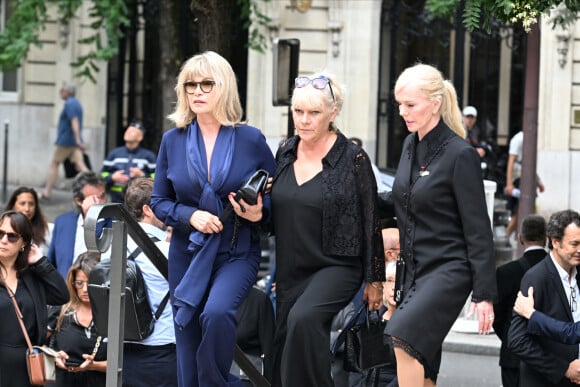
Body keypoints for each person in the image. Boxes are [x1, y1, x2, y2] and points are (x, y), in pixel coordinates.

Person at [150, 51, 276, 387]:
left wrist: (259, 211)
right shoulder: (172, 140)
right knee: (187, 340)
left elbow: (274, 196)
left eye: (207, 83)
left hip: (236, 250)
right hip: (186, 255)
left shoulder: (250, 139)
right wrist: (191, 216)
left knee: (217, 314)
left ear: (225, 87)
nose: (197, 91)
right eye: (190, 84)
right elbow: (159, 202)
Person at [381, 63, 496, 387]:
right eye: (400, 104)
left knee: (402, 336)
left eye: (410, 104)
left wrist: (483, 293)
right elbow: (400, 199)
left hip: (449, 269)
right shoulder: (408, 145)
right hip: (414, 269)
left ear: (435, 102)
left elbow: (478, 228)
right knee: (424, 358)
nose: (403, 112)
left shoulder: (461, 155)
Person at [269, 71, 385, 387]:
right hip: (292, 268)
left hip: (337, 265)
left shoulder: (353, 158)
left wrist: (375, 279)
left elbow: (370, 219)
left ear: (332, 113)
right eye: (298, 111)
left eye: (314, 112)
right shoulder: (285, 152)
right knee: (284, 343)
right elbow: (276, 213)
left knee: (303, 321)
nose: (304, 120)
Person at [508, 209, 580, 386]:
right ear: (555, 242)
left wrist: (531, 314)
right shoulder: (536, 277)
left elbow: (571, 332)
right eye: (574, 244)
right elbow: (517, 340)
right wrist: (562, 369)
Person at [0, 210, 69, 387]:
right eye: (0, 234)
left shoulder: (31, 276)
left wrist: (40, 262)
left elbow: (62, 295)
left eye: (12, 236)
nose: (4, 240)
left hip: (27, 367)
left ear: (24, 242)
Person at [122, 177, 177, 387]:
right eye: (163, 204)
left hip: (124, 351)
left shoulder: (113, 248)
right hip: (163, 350)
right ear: (148, 209)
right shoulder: (169, 252)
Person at [493, 214, 547, 387]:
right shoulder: (558, 271)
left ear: (520, 238)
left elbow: (497, 316)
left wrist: (511, 338)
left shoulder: (506, 272)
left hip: (513, 356)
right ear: (546, 239)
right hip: (549, 355)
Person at [50, 252, 107, 386]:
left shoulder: (115, 314)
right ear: (72, 282)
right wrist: (54, 356)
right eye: (79, 283)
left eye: (91, 282)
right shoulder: (62, 310)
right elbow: (38, 345)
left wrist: (94, 366)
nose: (85, 289)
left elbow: (125, 363)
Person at [48, 171, 109, 278]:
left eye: (102, 196)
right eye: (93, 198)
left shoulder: (114, 223)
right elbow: (51, 263)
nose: (99, 202)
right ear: (79, 201)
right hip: (66, 290)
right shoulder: (63, 222)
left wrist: (93, 221)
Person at [41, 81, 89, 200]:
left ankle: (47, 192)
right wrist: (78, 140)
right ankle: (96, 186)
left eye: (62, 90)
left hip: (66, 141)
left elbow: (74, 121)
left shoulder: (70, 104)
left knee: (54, 164)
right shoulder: (76, 103)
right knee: (81, 165)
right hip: (72, 141)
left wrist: (78, 140)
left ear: (68, 92)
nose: (60, 92)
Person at [101, 121, 157, 203]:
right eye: (127, 131)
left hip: (139, 199)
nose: (128, 133)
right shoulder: (114, 154)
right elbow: (102, 174)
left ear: (140, 137)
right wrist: (112, 177)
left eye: (132, 132)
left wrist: (142, 175)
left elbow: (157, 178)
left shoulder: (149, 156)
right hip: (115, 198)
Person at [505, 130, 545, 242]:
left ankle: (517, 239)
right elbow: (511, 161)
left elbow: (529, 164)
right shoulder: (519, 139)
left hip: (527, 178)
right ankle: (506, 238)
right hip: (518, 179)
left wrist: (538, 181)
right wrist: (509, 183)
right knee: (518, 213)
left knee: (526, 212)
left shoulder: (530, 140)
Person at [364, 259, 398, 387]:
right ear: (383, 285)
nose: (394, 286)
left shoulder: (411, 323)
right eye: (389, 280)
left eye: (399, 280)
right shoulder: (373, 319)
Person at [4, 186, 53, 255]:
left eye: (31, 204)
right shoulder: (3, 229)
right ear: (13, 206)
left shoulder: (49, 230)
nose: (27, 209)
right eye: (22, 203)